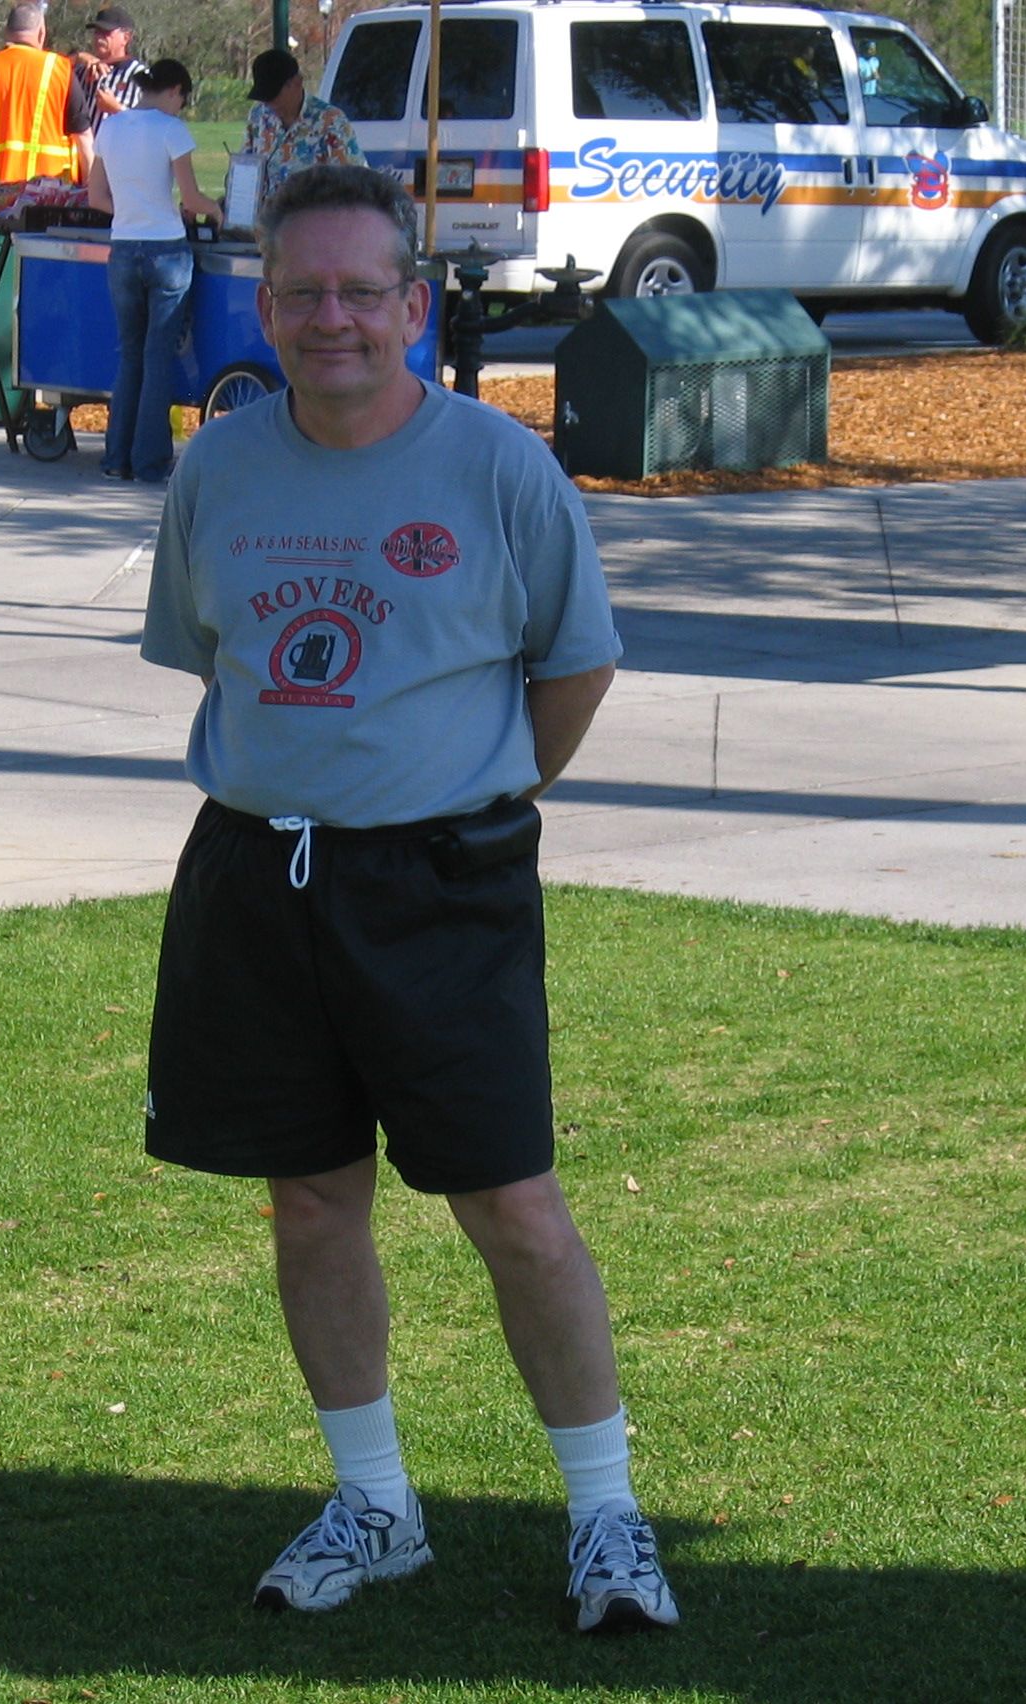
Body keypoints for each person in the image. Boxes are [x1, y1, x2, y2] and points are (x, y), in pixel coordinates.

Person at [137, 164, 675, 1635]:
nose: (335, 320)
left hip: (444, 888)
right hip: (258, 880)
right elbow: (210, 656)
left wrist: (472, 794)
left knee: (512, 1203)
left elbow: (575, 665)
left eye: (363, 292)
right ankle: (376, 1506)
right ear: (265, 307)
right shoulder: (218, 467)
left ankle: (608, 1517)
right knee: (311, 1199)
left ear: (414, 305)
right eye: (304, 293)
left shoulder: (498, 469)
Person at [88, 59, 223, 483]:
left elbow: (96, 196)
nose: (181, 107)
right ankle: (150, 461)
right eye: (183, 99)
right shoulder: (171, 130)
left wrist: (133, 209)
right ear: (175, 90)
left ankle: (116, 457)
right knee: (158, 357)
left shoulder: (111, 128)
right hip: (166, 250)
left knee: (130, 355)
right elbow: (192, 198)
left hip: (123, 248)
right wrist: (218, 211)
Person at [0, 3, 96, 183]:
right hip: (47, 189)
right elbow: (83, 136)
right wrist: (90, 187)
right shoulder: (58, 69)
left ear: (7, 33)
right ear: (41, 33)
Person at [241, 49, 367, 202]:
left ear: (297, 83)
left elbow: (354, 183)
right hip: (266, 214)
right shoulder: (258, 115)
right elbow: (246, 167)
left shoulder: (331, 121)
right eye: (265, 98)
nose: (270, 104)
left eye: (274, 95)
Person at [74, 5, 147, 120]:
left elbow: (148, 124)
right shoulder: (83, 68)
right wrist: (77, 57)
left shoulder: (140, 75)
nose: (99, 38)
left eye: (106, 32)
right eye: (97, 32)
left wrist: (116, 109)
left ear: (126, 38)